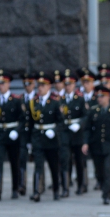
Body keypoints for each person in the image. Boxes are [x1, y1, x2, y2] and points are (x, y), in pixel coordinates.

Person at [0, 70, 24, 201]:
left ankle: (15, 189)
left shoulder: (17, 100)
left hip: (13, 134)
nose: (1, 86)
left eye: (3, 83)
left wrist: (16, 131)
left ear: (9, 84)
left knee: (14, 162)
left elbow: (23, 118)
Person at [28, 72, 63, 202]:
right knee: (38, 165)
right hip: (37, 137)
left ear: (49, 87)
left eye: (43, 85)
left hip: (51, 139)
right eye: (39, 85)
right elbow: (30, 123)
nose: (40, 88)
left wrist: (54, 130)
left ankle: (56, 190)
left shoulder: (55, 102)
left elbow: (61, 121)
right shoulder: (33, 102)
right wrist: (28, 141)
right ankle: (36, 191)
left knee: (53, 165)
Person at [59, 70, 87, 197]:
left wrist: (79, 124)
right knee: (65, 159)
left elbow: (86, 116)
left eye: (70, 84)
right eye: (66, 84)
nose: (68, 86)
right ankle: (65, 187)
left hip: (77, 134)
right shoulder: (60, 99)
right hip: (65, 132)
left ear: (74, 84)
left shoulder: (80, 99)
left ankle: (81, 185)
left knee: (79, 160)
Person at [19, 72, 37, 197]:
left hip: (36, 132)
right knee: (22, 159)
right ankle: (22, 185)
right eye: (25, 83)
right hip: (23, 133)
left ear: (34, 84)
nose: (27, 86)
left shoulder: (38, 98)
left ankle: (38, 185)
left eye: (29, 83)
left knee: (38, 160)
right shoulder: (19, 99)